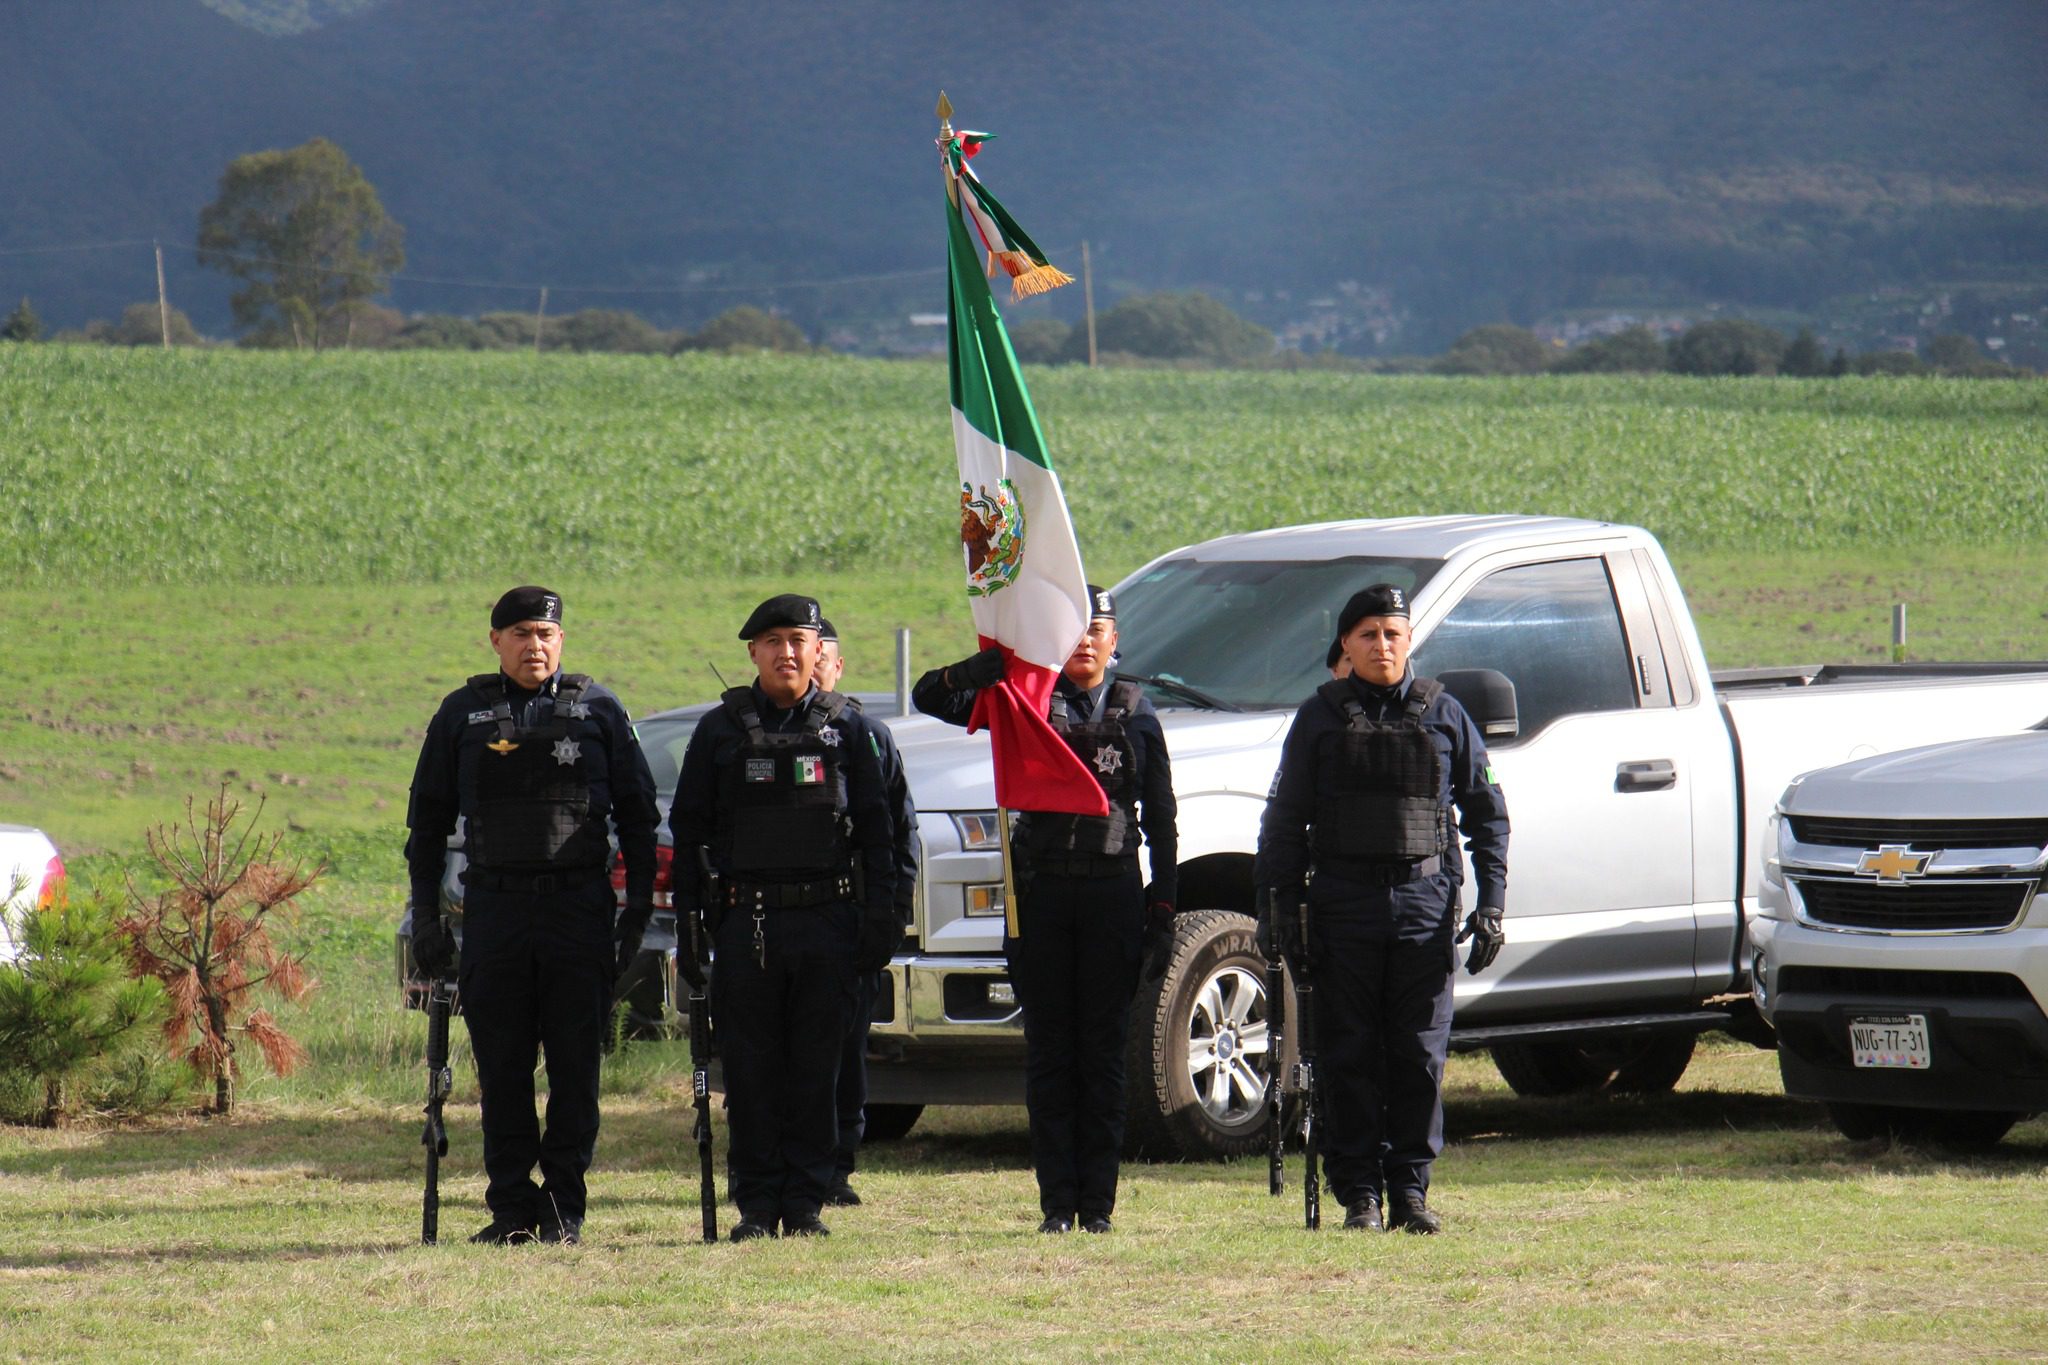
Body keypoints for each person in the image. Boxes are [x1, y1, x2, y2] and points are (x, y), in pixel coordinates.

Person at [912, 586, 1176, 1234]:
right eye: (1073, 628)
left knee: (1104, 1055)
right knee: (1052, 1055)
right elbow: (928, 697)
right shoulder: (1025, 702)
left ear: (1116, 641)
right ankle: (1058, 1203)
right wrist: (970, 674)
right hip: (1042, 897)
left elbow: (1162, 821)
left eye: (1098, 628)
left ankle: (1099, 1206)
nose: (1085, 639)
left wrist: (1163, 908)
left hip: (1112, 894)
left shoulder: (1138, 715)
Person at [404, 586, 659, 1246]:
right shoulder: (461, 714)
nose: (534, 644)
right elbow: (426, 825)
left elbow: (638, 818)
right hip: (496, 909)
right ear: (496, 641)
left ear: (561, 640)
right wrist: (426, 916)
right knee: (503, 1068)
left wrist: (633, 915)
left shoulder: (600, 710)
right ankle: (512, 1207)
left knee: (576, 1067)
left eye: (545, 632)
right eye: (520, 632)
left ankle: (564, 1206)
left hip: (578, 908)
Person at [1254, 582, 1509, 1235]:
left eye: (1393, 633)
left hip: (1423, 904)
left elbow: (1486, 815)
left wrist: (1492, 905)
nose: (1382, 645)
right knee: (1349, 1055)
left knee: (1419, 1055)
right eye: (1368, 634)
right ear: (1347, 643)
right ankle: (1360, 1192)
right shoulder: (1320, 717)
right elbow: (1284, 822)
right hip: (1344, 905)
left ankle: (1411, 1192)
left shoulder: (1445, 713)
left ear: (1409, 641)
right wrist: (1280, 904)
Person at [668, 594, 899, 1241]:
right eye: (773, 641)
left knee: (815, 1069)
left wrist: (879, 919)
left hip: (827, 923)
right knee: (751, 1070)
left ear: (817, 649)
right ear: (754, 652)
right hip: (748, 926)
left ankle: (804, 1204)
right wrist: (690, 930)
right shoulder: (719, 731)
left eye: (799, 640)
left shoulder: (847, 729)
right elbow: (689, 837)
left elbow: (878, 834)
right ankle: (753, 1204)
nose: (787, 652)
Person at [813, 617, 916, 1208]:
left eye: (823, 655)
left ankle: (838, 1164)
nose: (814, 665)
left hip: (852, 918)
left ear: (838, 665)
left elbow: (901, 835)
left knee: (847, 1046)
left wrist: (891, 914)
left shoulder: (868, 737)